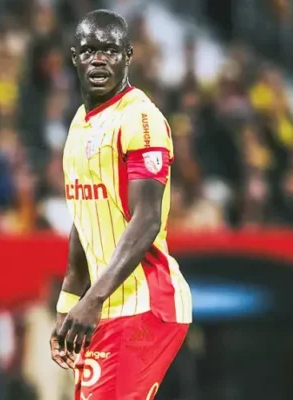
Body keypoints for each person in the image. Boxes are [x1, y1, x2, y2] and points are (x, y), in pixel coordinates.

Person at [49, 9, 192, 400]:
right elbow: (84, 218)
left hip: (145, 303)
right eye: (89, 51)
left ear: (128, 55)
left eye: (109, 50)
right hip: (106, 306)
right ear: (74, 57)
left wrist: (92, 300)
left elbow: (146, 220)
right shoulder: (79, 123)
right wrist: (69, 302)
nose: (98, 59)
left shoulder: (141, 120)